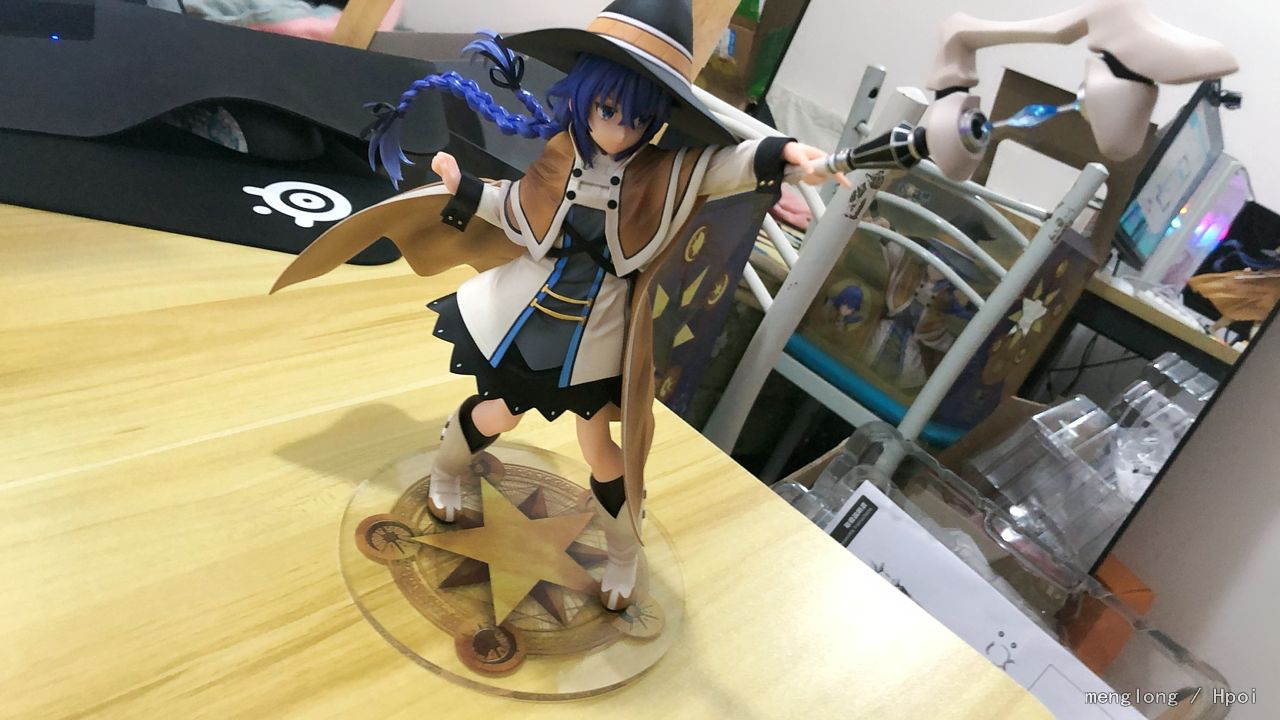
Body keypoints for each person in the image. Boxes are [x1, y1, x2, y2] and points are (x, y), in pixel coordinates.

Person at [273, 0, 842, 611]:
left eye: (636, 118)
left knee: (601, 448)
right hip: (527, 318)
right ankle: (446, 469)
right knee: (498, 413)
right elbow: (515, 209)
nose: (618, 131)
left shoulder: (665, 172)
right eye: (607, 110)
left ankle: (622, 553)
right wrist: (463, 188)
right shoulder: (559, 156)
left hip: (598, 337)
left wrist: (782, 155)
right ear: (584, 99)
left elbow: (724, 167)